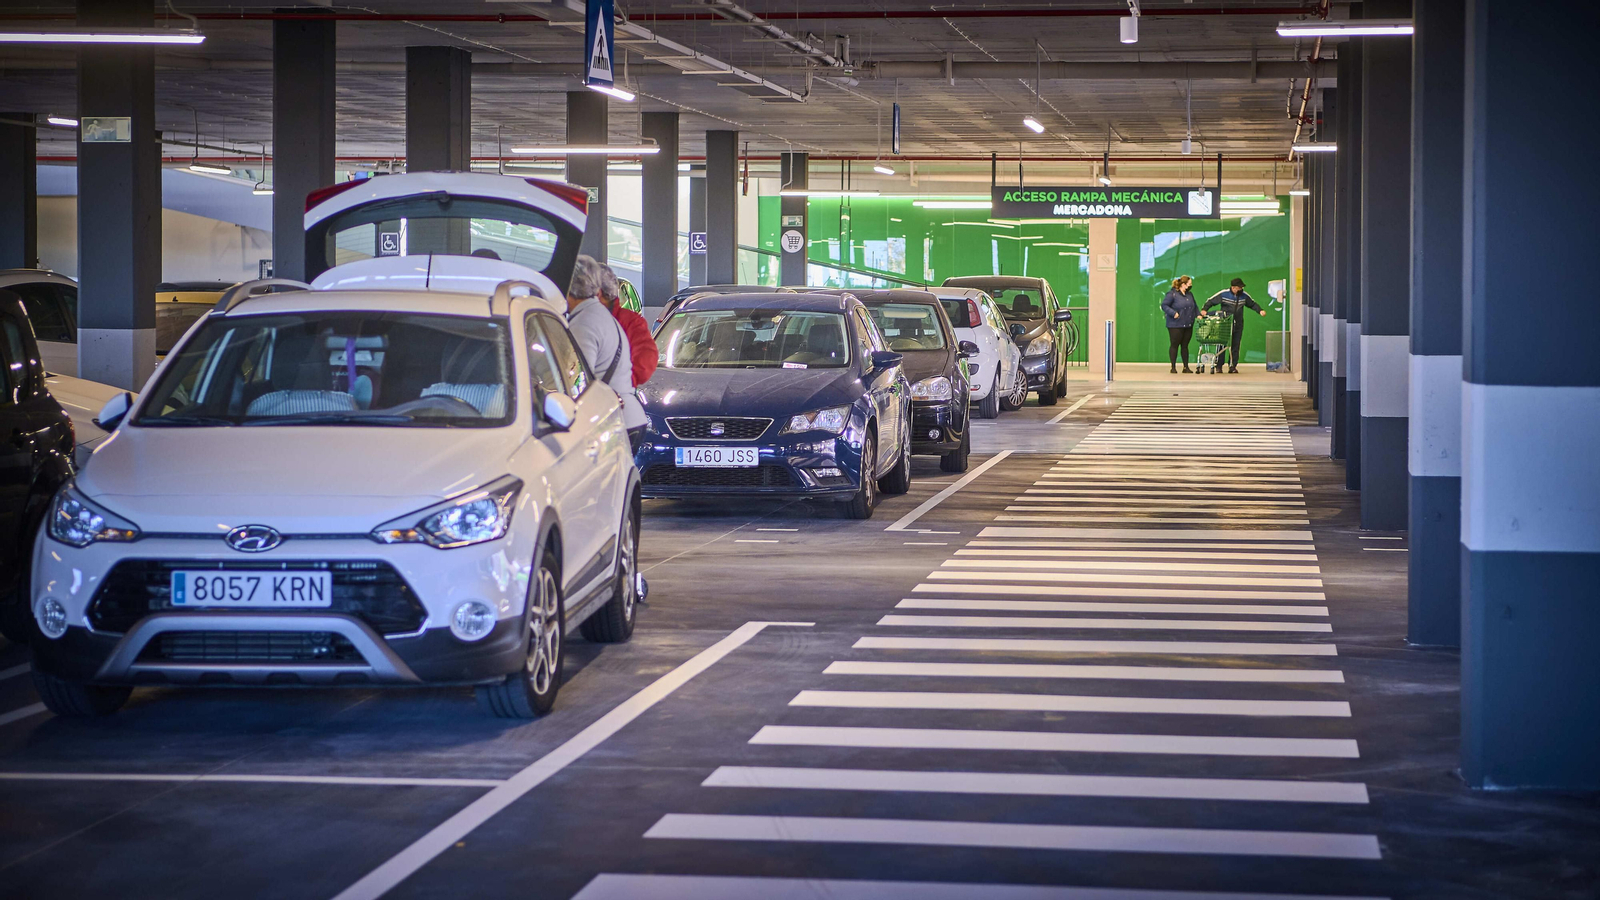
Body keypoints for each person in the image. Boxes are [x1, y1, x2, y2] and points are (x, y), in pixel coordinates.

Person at [565, 255, 648, 451]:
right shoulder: (597, 314)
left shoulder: (585, 323)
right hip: (625, 417)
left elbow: (577, 377)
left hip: (613, 423)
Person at [597, 265, 660, 397]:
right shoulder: (578, 319)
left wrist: (623, 383)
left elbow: (645, 359)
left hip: (615, 397)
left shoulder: (629, 321)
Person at [1200, 277, 1266, 374]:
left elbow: (1252, 304)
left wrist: (1260, 310)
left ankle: (1232, 366)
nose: (1240, 289)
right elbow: (1211, 301)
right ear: (1233, 287)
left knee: (1236, 345)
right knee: (1221, 344)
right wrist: (1204, 309)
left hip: (1238, 324)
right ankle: (1219, 366)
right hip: (1224, 324)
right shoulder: (1224, 294)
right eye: (1239, 287)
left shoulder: (1244, 296)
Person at [1160, 275, 1199, 374]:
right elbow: (1164, 305)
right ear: (1183, 284)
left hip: (1188, 324)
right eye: (1189, 284)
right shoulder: (1172, 294)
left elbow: (1194, 306)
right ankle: (1173, 367)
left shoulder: (1190, 295)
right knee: (1174, 344)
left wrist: (1198, 315)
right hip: (1175, 324)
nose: (1190, 286)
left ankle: (1186, 367)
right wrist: (1173, 313)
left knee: (1185, 346)